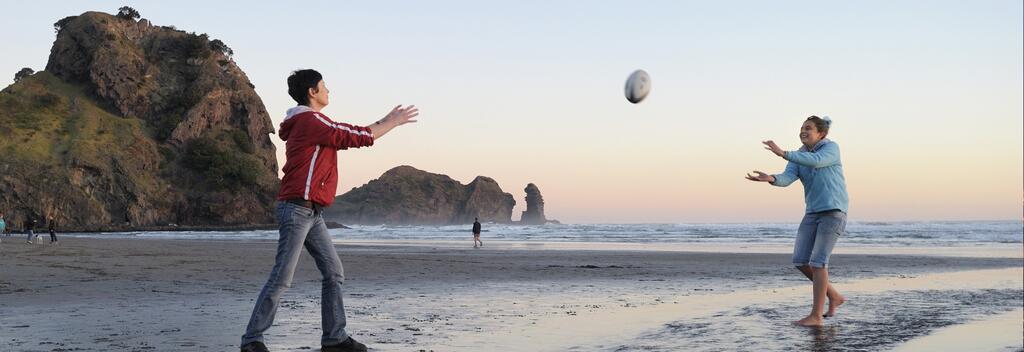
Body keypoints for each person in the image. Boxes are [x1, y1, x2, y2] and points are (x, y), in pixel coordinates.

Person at [240, 69, 418, 352]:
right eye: (324, 86)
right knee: (282, 277)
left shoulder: (310, 122)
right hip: (297, 209)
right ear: (312, 92)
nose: (328, 90)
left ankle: (334, 337)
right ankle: (252, 340)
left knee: (334, 272)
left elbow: (347, 134)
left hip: (312, 213)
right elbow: (356, 136)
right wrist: (392, 122)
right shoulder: (310, 120)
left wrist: (386, 120)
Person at [746, 115, 848, 328]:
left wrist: (783, 153)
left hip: (833, 213)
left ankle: (816, 316)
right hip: (812, 213)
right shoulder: (798, 156)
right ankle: (834, 296)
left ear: (821, 133)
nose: (803, 131)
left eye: (808, 128)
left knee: (818, 262)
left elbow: (817, 161)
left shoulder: (831, 149)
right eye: (801, 128)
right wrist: (771, 178)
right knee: (801, 260)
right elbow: (786, 178)